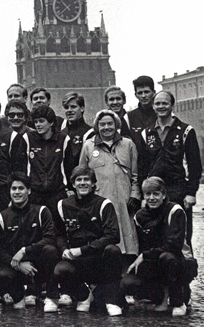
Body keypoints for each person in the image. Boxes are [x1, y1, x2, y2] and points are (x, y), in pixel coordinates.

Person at [53, 166, 122, 316]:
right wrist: (64, 249)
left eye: (86, 180)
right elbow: (58, 234)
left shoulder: (104, 204)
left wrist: (83, 250)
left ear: (93, 184)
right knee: (60, 269)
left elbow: (113, 235)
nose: (83, 183)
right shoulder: (63, 205)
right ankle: (84, 296)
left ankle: (111, 300)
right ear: (73, 183)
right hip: (76, 259)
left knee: (113, 250)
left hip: (98, 259)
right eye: (79, 180)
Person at [120, 177, 191, 317]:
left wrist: (146, 255)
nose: (151, 198)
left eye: (156, 194)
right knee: (126, 283)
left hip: (177, 261)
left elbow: (173, 246)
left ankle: (178, 300)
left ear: (163, 194)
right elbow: (141, 245)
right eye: (148, 194)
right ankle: (159, 297)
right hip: (153, 262)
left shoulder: (175, 211)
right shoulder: (140, 215)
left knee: (167, 258)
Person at [139, 91, 202, 245]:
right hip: (155, 194)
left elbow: (195, 166)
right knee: (156, 237)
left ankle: (187, 268)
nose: (161, 107)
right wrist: (143, 196)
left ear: (172, 105)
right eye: (158, 103)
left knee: (182, 238)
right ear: (153, 106)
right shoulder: (146, 133)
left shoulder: (186, 131)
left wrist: (191, 193)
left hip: (178, 192)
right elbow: (142, 167)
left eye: (165, 103)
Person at [0, 173, 60, 313]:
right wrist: (18, 265)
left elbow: (50, 238)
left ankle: (51, 297)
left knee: (51, 251)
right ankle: (18, 297)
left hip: (38, 266)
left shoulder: (42, 211)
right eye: (14, 188)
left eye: (21, 188)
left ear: (28, 190)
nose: (17, 192)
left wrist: (25, 251)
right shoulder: (1, 216)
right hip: (16, 266)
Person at [79, 109, 140, 257]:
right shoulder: (88, 146)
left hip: (124, 200)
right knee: (102, 240)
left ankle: (127, 269)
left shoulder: (128, 144)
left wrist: (135, 194)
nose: (106, 127)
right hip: (100, 201)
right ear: (97, 127)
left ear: (116, 125)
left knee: (127, 238)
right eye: (102, 124)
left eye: (110, 124)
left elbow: (136, 175)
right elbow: (82, 174)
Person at [25, 105, 71, 220]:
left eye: (41, 121)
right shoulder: (28, 138)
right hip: (35, 195)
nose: (38, 125)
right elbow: (22, 167)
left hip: (57, 194)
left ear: (51, 123)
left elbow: (69, 167)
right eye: (35, 122)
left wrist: (69, 189)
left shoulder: (63, 139)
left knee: (58, 230)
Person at [61, 92, 94, 183]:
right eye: (66, 107)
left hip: (83, 183)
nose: (69, 110)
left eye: (73, 107)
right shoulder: (61, 133)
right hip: (65, 187)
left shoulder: (90, 133)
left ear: (82, 108)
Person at [127, 75, 157, 146]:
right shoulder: (129, 118)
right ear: (135, 95)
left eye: (146, 92)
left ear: (154, 92)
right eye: (140, 93)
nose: (143, 96)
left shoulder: (161, 114)